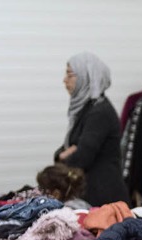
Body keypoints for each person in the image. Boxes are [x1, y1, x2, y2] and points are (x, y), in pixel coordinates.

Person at [55, 51, 130, 207]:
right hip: (91, 196)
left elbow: (81, 158)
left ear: (86, 77)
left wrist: (67, 155)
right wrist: (65, 154)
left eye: (70, 75)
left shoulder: (99, 112)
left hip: (104, 200)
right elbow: (62, 153)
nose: (64, 80)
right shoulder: (85, 110)